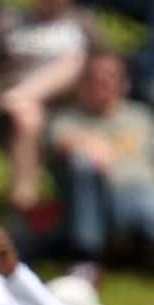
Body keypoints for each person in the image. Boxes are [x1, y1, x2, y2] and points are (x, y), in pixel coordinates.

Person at [0, 0, 102, 210]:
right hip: (9, 116)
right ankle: (25, 206)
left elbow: (107, 65)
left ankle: (23, 95)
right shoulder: (9, 23)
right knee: (28, 114)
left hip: (69, 115)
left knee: (75, 61)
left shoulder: (82, 23)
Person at [49, 51, 154, 264]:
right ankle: (87, 258)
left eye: (109, 77)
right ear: (82, 83)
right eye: (93, 77)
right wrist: (89, 148)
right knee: (82, 162)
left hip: (144, 193)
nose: (101, 83)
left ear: (124, 84)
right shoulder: (68, 119)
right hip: (101, 196)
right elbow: (62, 143)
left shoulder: (140, 117)